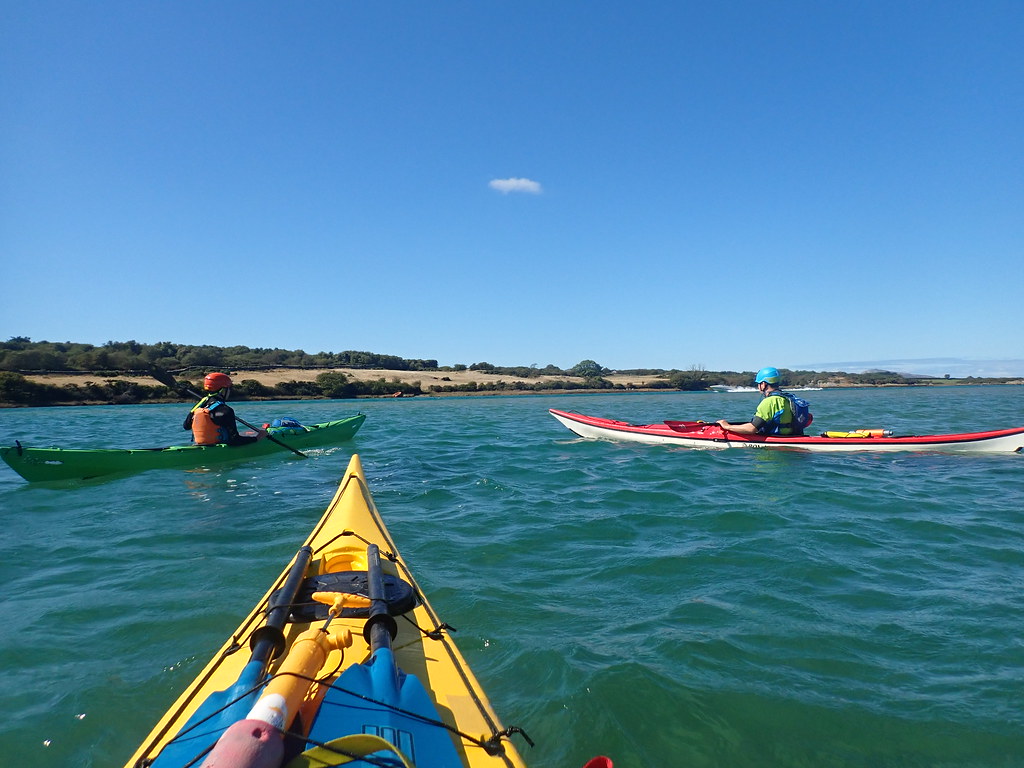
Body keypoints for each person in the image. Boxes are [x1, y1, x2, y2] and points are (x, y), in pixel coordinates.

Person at [716, 367, 805, 436]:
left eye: (759, 383)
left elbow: (752, 429)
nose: (758, 386)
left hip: (775, 444)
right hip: (792, 436)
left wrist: (727, 426)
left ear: (763, 384)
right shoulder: (788, 398)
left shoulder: (769, 401)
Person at [183, 372, 265, 446]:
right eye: (229, 389)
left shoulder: (199, 406)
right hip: (220, 448)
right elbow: (235, 441)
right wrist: (257, 438)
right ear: (223, 390)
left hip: (200, 445)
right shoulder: (225, 410)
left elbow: (186, 426)